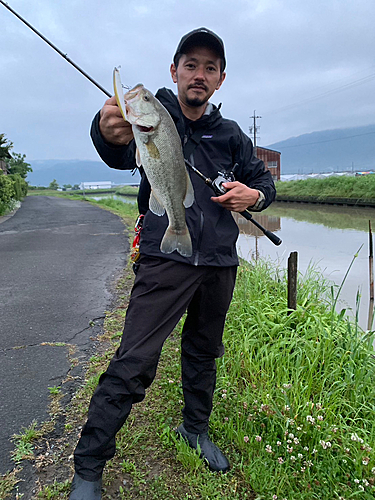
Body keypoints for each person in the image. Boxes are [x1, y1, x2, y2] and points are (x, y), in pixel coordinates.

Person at [69, 27, 276, 500]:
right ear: (175, 71)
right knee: (135, 360)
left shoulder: (231, 136)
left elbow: (264, 180)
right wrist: (104, 129)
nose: (198, 75)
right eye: (191, 65)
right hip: (166, 256)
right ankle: (89, 466)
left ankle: (194, 430)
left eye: (209, 68)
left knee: (204, 352)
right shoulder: (155, 114)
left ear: (221, 79)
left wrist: (257, 195)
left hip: (220, 260)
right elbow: (119, 148)